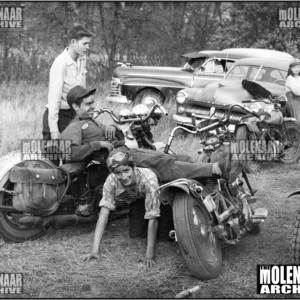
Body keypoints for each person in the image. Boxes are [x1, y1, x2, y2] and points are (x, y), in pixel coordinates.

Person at [81, 150, 170, 267]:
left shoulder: (148, 179)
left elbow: (152, 218)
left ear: (133, 167)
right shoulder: (111, 181)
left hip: (161, 198)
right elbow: (103, 215)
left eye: (126, 170)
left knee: (164, 236)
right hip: (138, 199)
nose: (123, 177)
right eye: (118, 173)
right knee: (136, 234)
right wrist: (94, 250)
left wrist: (149, 256)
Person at [42, 24, 94, 141]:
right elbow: (54, 99)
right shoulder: (61, 63)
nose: (88, 47)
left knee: (73, 154)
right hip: (59, 116)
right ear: (73, 42)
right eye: (84, 44)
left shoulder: (82, 59)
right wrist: (54, 129)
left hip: (73, 114)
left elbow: (82, 91)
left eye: (89, 44)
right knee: (54, 156)